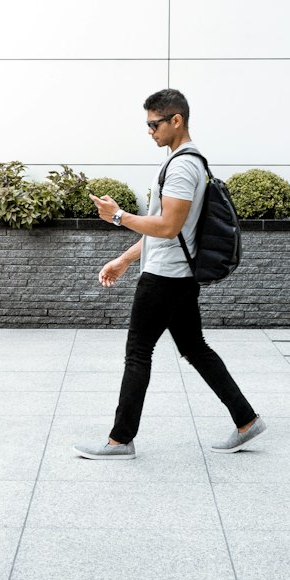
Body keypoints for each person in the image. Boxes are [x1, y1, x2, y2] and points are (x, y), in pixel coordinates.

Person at [73, 88, 266, 459]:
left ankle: (120, 440)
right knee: (194, 347)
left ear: (176, 120)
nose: (149, 131)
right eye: (147, 124)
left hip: (164, 279)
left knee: (138, 352)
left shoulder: (181, 165)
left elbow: (167, 225)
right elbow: (168, 233)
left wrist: (117, 216)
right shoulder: (188, 162)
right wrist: (126, 259)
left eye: (154, 124)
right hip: (177, 274)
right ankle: (246, 420)